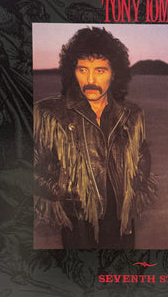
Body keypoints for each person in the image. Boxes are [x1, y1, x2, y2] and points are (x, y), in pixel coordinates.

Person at [34, 27, 156, 249]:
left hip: (121, 222)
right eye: (83, 70)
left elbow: (142, 156)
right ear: (73, 71)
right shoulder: (50, 114)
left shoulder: (132, 115)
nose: (90, 79)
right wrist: (60, 190)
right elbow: (31, 167)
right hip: (79, 223)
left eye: (100, 70)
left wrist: (133, 185)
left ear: (114, 73)